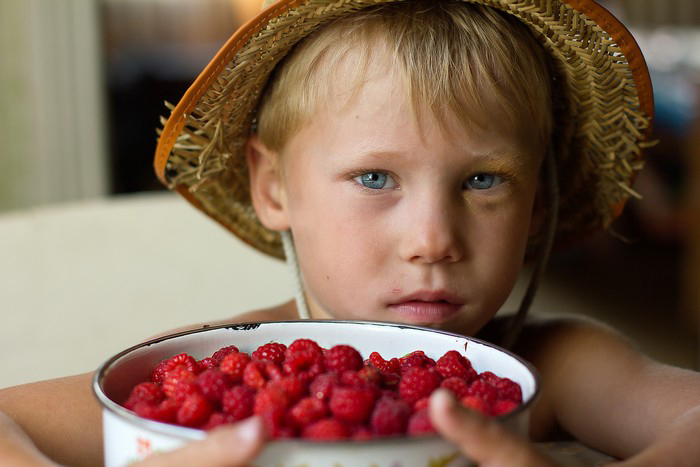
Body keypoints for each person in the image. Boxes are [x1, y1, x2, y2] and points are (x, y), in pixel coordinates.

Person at [3, 0, 700, 465]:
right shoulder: (236, 365)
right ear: (274, 187)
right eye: (375, 178)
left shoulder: (556, 364)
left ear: (538, 206)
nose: (433, 239)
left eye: (482, 180)